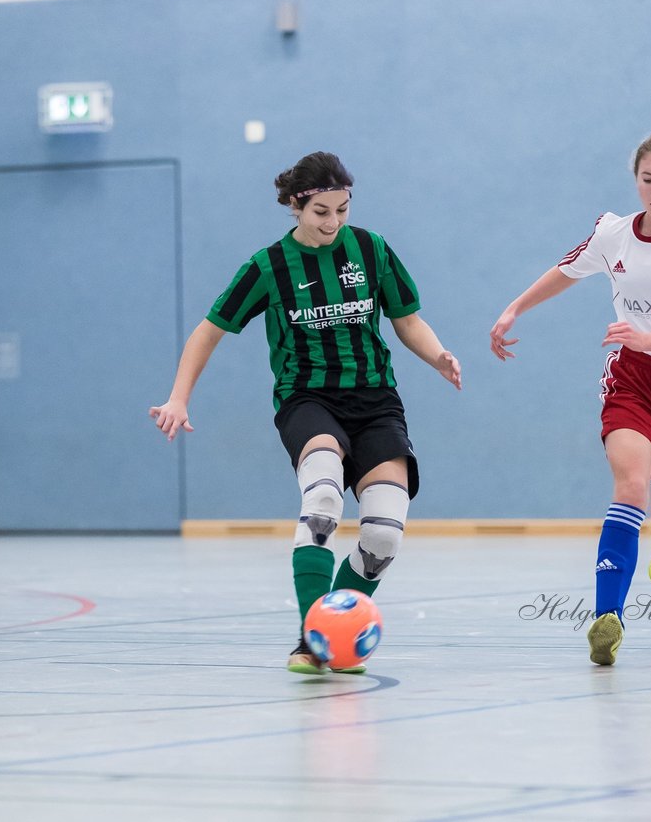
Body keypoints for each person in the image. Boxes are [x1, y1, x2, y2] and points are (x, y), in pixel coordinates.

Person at [150, 151, 462, 674]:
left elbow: (408, 320)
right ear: (296, 206)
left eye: (342, 209)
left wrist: (438, 355)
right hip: (307, 399)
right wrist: (179, 396)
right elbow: (210, 330)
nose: (333, 222)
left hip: (376, 400)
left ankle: (333, 628)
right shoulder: (267, 267)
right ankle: (311, 637)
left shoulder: (372, 249)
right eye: (321, 212)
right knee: (321, 502)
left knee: (383, 535)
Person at [489, 128, 651, 666]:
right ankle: (608, 617)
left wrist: (648, 335)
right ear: (635, 180)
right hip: (633, 380)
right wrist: (515, 308)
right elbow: (567, 270)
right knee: (630, 483)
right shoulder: (614, 233)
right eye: (647, 179)